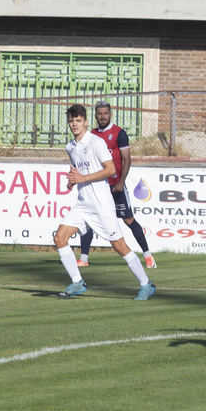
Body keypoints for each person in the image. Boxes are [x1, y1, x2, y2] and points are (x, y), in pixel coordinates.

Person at [54, 104, 156, 300]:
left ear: (85, 122)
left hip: (102, 204)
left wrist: (82, 178)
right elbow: (79, 172)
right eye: (71, 121)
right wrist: (72, 180)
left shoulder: (96, 142)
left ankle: (146, 284)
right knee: (60, 238)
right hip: (83, 204)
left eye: (78, 120)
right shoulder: (70, 146)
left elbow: (110, 170)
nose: (74, 124)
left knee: (119, 246)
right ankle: (77, 282)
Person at [76, 100, 156, 269]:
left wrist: (121, 182)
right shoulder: (91, 135)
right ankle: (84, 258)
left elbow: (127, 159)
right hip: (98, 186)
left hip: (115, 186)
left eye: (105, 113)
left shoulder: (119, 133)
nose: (102, 116)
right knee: (88, 220)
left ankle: (148, 255)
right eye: (99, 114)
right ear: (95, 116)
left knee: (128, 220)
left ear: (110, 114)